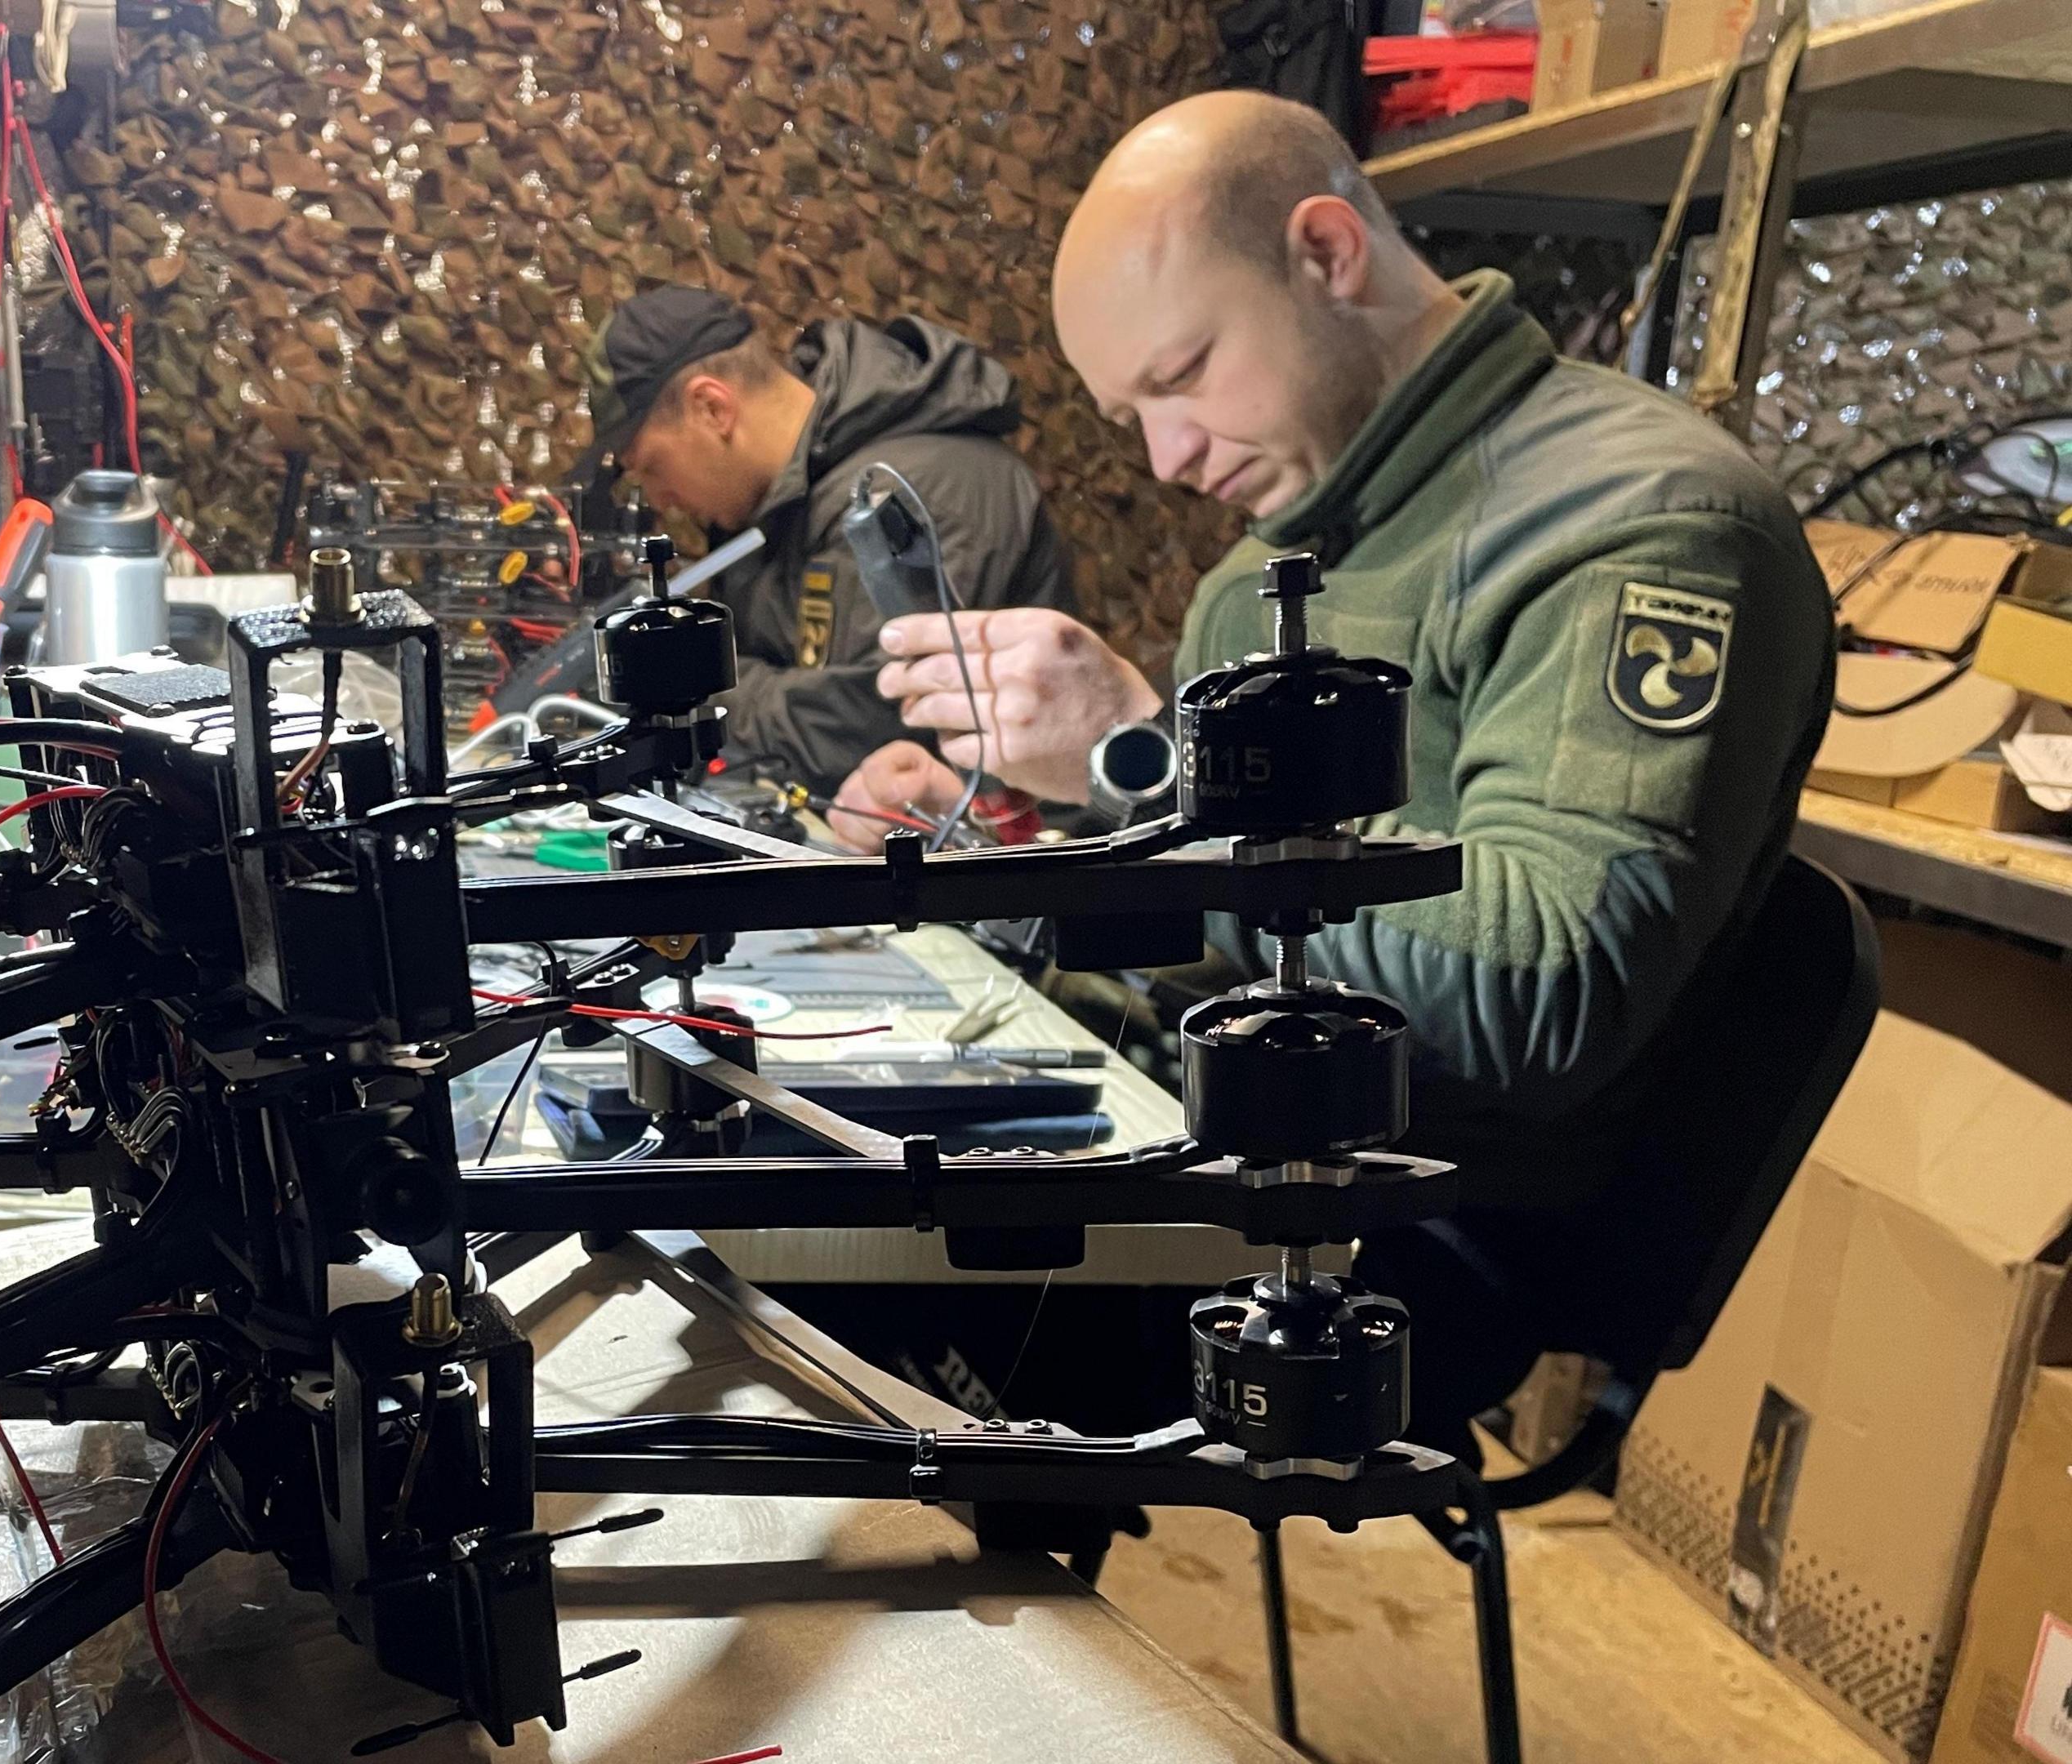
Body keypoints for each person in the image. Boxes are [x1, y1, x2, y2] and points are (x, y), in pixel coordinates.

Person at [814, 90, 1835, 1455]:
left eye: (1179, 379)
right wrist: (1002, 838)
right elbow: (1224, 905)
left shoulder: (1643, 527)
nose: (1167, 459)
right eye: (1132, 417)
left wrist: (1146, 769)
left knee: (829, 1291)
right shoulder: (1274, 565)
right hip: (1225, 1128)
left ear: (1327, 252)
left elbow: (1540, 997)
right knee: (774, 1141)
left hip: (1418, 1234)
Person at [578, 284, 1078, 794]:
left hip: (1011, 852)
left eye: (652, 468)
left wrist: (673, 683)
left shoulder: (917, 488)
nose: (660, 499)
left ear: (712, 407)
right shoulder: (770, 510)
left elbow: (866, 728)